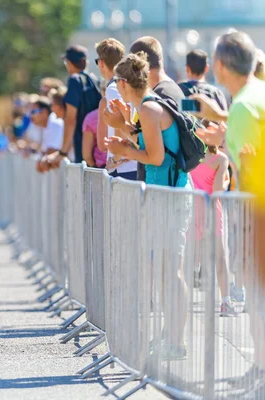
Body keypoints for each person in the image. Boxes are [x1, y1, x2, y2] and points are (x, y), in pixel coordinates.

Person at [105, 52, 190, 359]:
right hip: (162, 194)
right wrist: (123, 127)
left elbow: (153, 157)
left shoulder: (150, 107)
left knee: (171, 271)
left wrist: (123, 147)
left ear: (125, 82)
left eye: (116, 82)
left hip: (169, 195)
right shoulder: (147, 106)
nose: (115, 87)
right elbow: (150, 144)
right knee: (164, 270)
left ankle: (177, 343)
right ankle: (171, 337)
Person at [191, 31, 265, 381]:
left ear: (219, 65)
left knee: (260, 298)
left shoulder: (243, 107)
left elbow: (253, 167)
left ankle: (261, 370)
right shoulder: (254, 97)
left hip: (258, 211)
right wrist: (222, 132)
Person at [127, 37, 185, 182]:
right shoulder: (175, 89)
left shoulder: (156, 97)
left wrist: (121, 127)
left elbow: (151, 150)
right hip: (173, 181)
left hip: (162, 184)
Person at [190, 146, 236, 316]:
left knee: (190, 259)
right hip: (211, 208)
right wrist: (226, 180)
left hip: (192, 207)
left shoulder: (191, 154)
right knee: (220, 257)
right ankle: (225, 302)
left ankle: (179, 302)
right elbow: (217, 189)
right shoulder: (220, 159)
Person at [44, 45, 101, 167]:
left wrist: (63, 152)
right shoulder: (94, 80)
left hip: (82, 145)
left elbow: (70, 119)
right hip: (97, 147)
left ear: (69, 63)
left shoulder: (74, 80)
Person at [94, 38, 137, 180]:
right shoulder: (128, 84)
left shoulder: (113, 88)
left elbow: (121, 120)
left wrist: (117, 158)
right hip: (132, 163)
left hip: (123, 168)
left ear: (101, 63)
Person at [29, 97, 64, 173]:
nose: (30, 115)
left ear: (44, 112)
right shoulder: (43, 126)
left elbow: (52, 150)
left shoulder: (55, 124)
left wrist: (41, 160)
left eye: (33, 112)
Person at [82, 82, 107, 168]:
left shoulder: (91, 117)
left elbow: (87, 155)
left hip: (101, 167)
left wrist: (94, 167)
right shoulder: (130, 112)